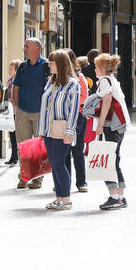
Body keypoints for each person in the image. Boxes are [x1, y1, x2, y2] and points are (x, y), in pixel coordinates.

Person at [39, 49, 81, 210]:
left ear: (60, 64)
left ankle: (66, 199)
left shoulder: (73, 84)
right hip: (49, 130)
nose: (49, 65)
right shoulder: (51, 81)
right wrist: (41, 130)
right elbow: (45, 107)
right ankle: (59, 198)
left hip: (62, 130)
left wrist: (70, 132)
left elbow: (74, 110)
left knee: (58, 163)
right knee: (55, 164)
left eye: (51, 63)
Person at [92, 52, 130, 210]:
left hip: (111, 126)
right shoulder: (113, 80)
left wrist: (99, 125)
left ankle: (114, 196)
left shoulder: (104, 81)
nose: (94, 70)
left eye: (95, 67)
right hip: (120, 125)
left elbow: (106, 102)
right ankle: (120, 196)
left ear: (101, 68)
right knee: (115, 159)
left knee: (108, 161)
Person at [11, 38, 50, 189]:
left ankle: (38, 179)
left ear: (37, 49)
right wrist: (18, 105)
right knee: (23, 146)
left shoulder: (46, 65)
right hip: (23, 112)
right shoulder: (22, 66)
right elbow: (16, 88)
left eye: (27, 46)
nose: (24, 49)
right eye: (24, 46)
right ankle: (24, 177)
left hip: (41, 113)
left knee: (39, 148)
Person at [66, 49, 90, 192]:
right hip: (63, 118)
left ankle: (81, 182)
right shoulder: (57, 77)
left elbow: (83, 98)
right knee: (64, 152)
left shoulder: (79, 77)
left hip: (78, 116)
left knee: (77, 151)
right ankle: (64, 181)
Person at [4, 60, 21, 165]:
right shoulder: (9, 81)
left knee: (18, 135)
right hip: (11, 112)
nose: (9, 71)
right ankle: (14, 156)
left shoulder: (19, 81)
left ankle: (19, 156)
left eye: (11, 69)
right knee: (12, 135)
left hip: (19, 111)